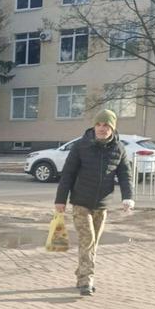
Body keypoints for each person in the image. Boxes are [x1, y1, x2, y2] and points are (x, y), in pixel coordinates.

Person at [54, 109, 134, 296]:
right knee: (88, 240)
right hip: (81, 202)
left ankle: (81, 271)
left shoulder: (119, 149)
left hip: (102, 204)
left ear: (112, 128)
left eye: (106, 125)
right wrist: (60, 200)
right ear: (94, 126)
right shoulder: (81, 146)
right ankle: (86, 280)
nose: (101, 128)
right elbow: (68, 174)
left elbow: (125, 175)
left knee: (93, 243)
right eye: (98, 124)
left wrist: (127, 197)